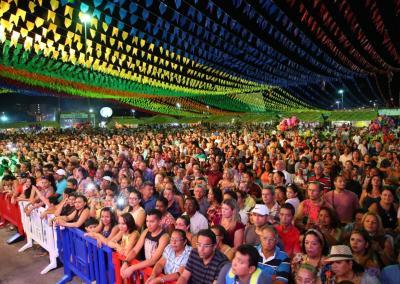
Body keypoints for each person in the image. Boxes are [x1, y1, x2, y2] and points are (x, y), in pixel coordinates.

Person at [120, 209, 170, 279]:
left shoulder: (164, 237)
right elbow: (135, 250)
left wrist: (132, 268)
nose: (148, 224)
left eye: (152, 221)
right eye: (147, 221)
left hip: (157, 273)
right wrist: (126, 262)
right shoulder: (146, 231)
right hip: (145, 268)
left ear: (160, 221)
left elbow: (153, 260)